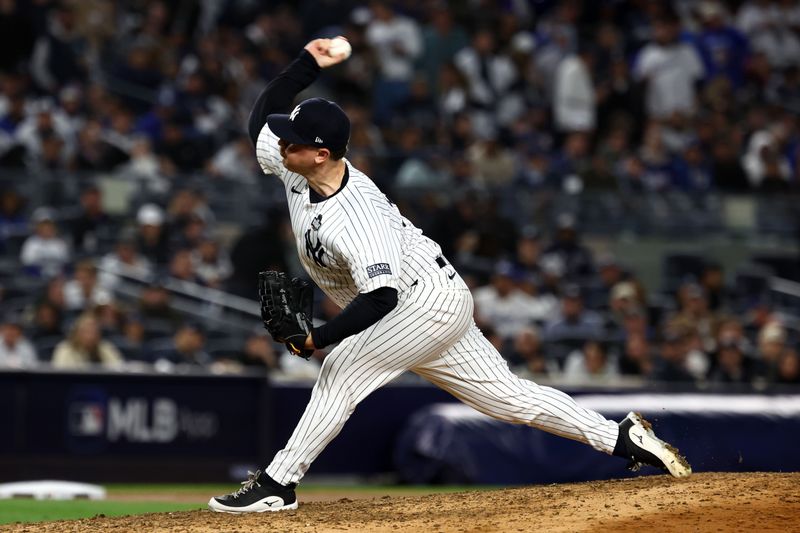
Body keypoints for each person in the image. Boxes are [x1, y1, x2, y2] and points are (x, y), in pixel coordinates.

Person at [208, 37, 691, 514]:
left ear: (320, 154)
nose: (279, 143)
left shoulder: (356, 217)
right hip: (430, 296)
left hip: (422, 301)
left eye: (291, 140)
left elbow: (381, 297)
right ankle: (621, 437)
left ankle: (278, 483)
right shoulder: (298, 167)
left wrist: (320, 339)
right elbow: (259, 122)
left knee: (340, 371)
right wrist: (305, 64)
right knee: (507, 398)